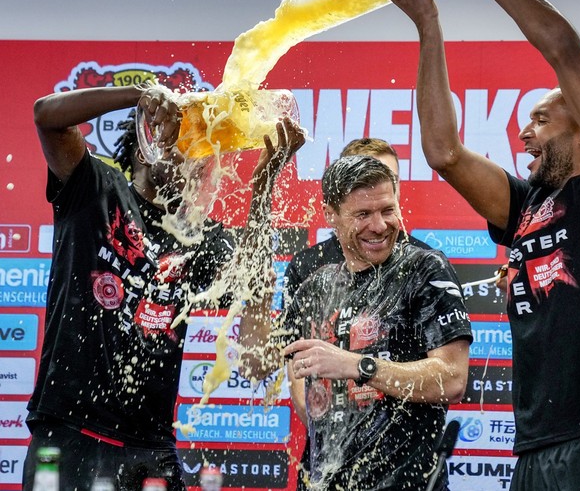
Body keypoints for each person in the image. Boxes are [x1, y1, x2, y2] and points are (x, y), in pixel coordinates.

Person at [373, 0, 580, 490]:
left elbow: (565, 50)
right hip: (535, 441)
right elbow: (443, 152)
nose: (523, 131)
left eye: (540, 119)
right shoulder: (528, 203)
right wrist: (428, 28)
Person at [25, 84, 304, 491]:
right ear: (146, 146)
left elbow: (257, 350)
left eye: (204, 150)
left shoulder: (201, 238)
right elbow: (45, 115)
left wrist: (263, 183)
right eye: (186, 142)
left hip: (150, 451)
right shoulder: (95, 189)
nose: (198, 159)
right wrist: (140, 95)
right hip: (69, 438)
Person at [239, 155, 473, 490]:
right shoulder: (316, 288)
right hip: (322, 481)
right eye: (362, 214)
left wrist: (356, 365)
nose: (379, 226)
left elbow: (452, 379)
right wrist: (257, 293)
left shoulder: (424, 270)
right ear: (330, 215)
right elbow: (254, 364)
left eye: (387, 210)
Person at [281, 137, 430, 309]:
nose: (381, 187)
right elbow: (290, 335)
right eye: (366, 179)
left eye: (391, 179)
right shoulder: (307, 266)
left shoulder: (425, 263)